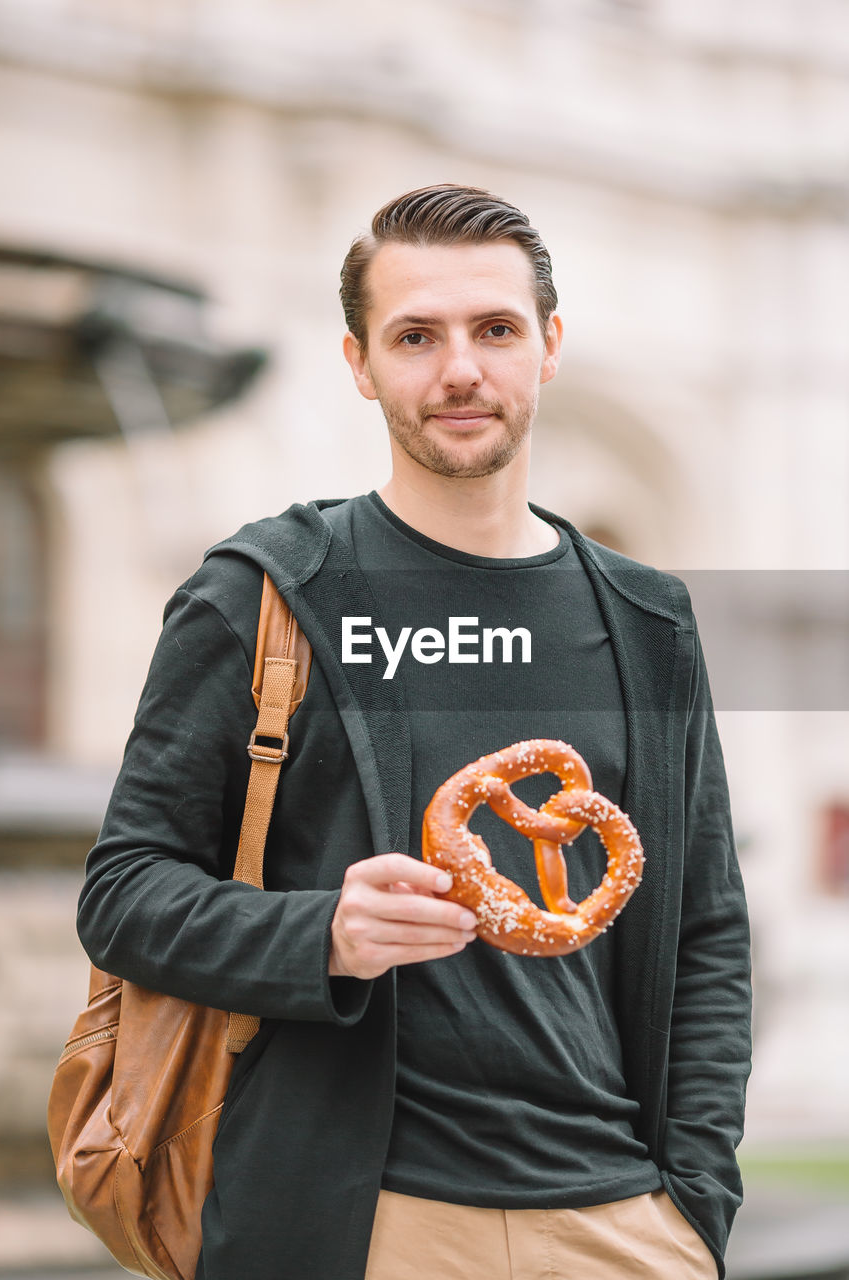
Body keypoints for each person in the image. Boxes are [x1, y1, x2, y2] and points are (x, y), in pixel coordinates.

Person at [77, 184, 751, 1280]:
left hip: (618, 1222)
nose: (459, 370)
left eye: (494, 329)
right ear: (358, 362)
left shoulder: (648, 618)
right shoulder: (265, 592)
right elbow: (123, 891)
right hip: (349, 1222)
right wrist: (322, 935)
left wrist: (693, 1196)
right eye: (414, 336)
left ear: (549, 347)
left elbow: (704, 928)